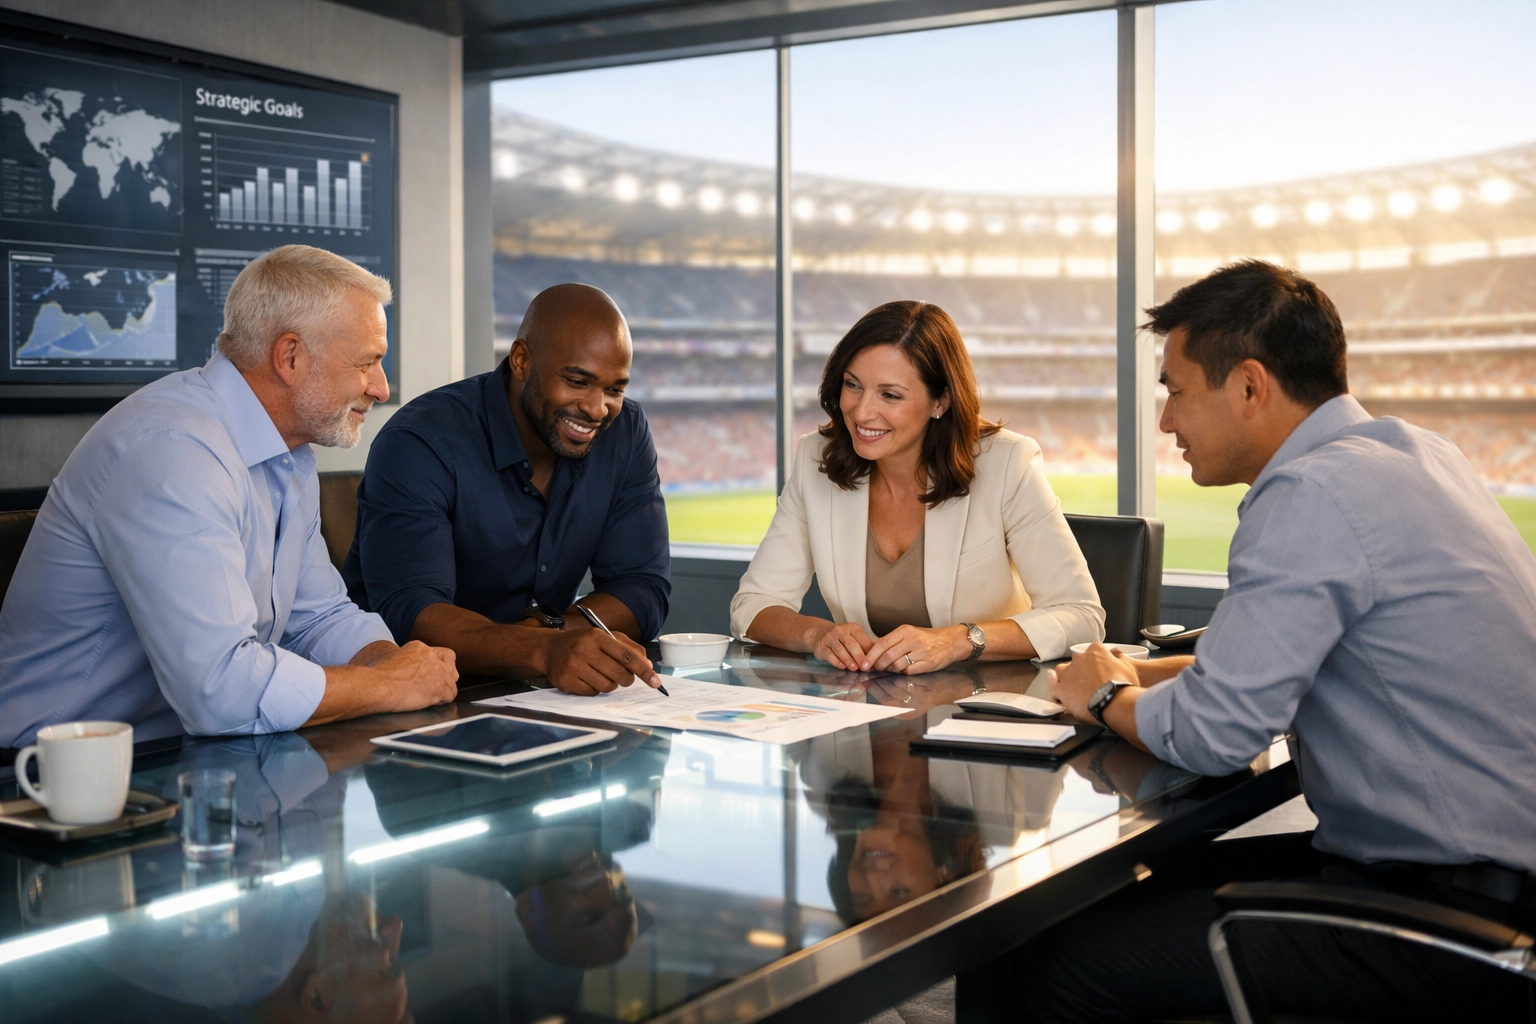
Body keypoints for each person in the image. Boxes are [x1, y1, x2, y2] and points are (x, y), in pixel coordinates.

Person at [960, 260, 1536, 1022]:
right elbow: (1275, 661)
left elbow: (1215, 733)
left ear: (1250, 387)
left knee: (1035, 962)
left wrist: (1102, 696)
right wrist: (1138, 671)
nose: (1166, 421)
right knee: (1055, 909)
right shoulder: (1416, 456)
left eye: (1175, 391)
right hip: (1481, 884)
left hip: (1449, 921)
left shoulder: (1311, 492)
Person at [0, 246, 458, 747]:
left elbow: (319, 617)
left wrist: (395, 661)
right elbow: (219, 691)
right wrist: (389, 685)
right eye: (367, 362)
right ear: (290, 357)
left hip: (183, 756)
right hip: (47, 766)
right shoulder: (173, 450)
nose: (381, 388)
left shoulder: (288, 453)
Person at [730, 300, 1103, 673]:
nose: (861, 411)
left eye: (890, 395)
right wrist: (816, 634)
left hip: (989, 695)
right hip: (868, 699)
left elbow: (1082, 616)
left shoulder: (1007, 462)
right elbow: (752, 604)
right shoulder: (816, 459)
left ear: (941, 400)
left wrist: (957, 641)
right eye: (852, 385)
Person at [343, 283, 669, 696]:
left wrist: (551, 635)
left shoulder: (625, 432)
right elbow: (414, 614)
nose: (596, 408)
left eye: (615, 389)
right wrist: (546, 649)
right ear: (521, 360)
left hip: (539, 692)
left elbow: (642, 587)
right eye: (577, 381)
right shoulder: (419, 441)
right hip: (405, 695)